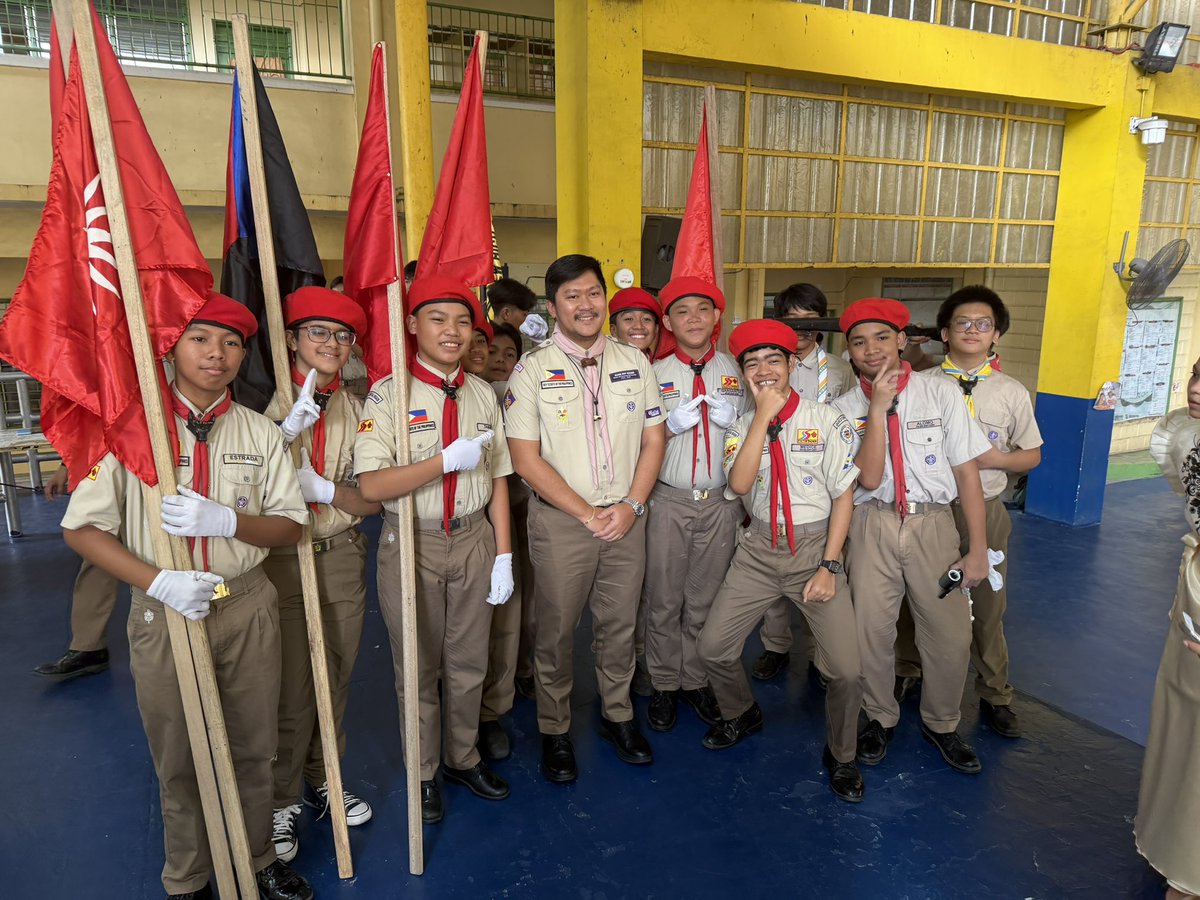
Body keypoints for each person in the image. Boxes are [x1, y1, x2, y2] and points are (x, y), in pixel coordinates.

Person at [60, 292, 312, 900]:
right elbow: (81, 528)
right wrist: (159, 581)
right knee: (178, 752)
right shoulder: (129, 430)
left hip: (247, 603)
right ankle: (189, 876)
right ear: (170, 345)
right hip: (165, 606)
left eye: (231, 343)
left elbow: (290, 524)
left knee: (256, 746)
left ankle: (255, 859)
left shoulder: (259, 431)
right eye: (200, 338)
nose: (217, 354)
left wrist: (228, 522)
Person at [355, 274, 514, 824]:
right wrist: (442, 461)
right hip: (412, 542)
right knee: (417, 667)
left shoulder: (481, 393)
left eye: (462, 321)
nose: (452, 331)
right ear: (411, 325)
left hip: (473, 537)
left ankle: (462, 757)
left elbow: (496, 476)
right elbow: (371, 488)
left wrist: (504, 552)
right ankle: (423, 772)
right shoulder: (387, 393)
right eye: (437, 319)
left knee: (470, 662)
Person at [505, 254, 666, 783]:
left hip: (627, 518)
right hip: (562, 524)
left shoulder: (635, 362)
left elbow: (653, 438)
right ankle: (554, 729)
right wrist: (589, 513)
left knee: (619, 625)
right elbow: (526, 459)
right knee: (554, 631)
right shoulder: (531, 370)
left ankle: (617, 714)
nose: (586, 304)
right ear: (553, 308)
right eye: (572, 296)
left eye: (593, 293)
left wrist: (632, 506)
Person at [697, 319, 865, 802]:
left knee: (847, 671)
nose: (764, 370)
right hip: (758, 551)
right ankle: (740, 712)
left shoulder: (826, 419)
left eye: (774, 360)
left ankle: (843, 753)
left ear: (793, 364)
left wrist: (830, 567)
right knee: (713, 648)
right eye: (752, 363)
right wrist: (760, 417)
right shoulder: (736, 424)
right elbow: (742, 484)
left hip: (815, 549)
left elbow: (844, 497)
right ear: (744, 373)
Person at [831, 298, 990, 775]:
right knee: (870, 632)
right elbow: (865, 478)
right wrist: (876, 411)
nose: (871, 349)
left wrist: (977, 548)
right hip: (871, 523)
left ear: (902, 340)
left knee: (949, 635)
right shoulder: (842, 408)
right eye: (859, 342)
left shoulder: (941, 394)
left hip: (933, 525)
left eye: (882, 337)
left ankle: (942, 722)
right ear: (849, 351)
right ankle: (879, 715)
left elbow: (966, 473)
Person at [264, 286, 382, 864]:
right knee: (288, 685)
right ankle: (280, 797)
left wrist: (329, 490)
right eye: (318, 333)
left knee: (334, 674)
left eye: (342, 335)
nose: (332, 344)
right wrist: (282, 437)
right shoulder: (258, 400)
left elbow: (371, 501)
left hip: (337, 553)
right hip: (280, 561)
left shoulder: (358, 409)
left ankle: (324, 777)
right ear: (291, 339)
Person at [893, 286, 1042, 737]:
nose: (973, 330)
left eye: (983, 324)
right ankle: (908, 668)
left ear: (996, 334)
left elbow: (1031, 455)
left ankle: (995, 692)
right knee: (915, 594)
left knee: (988, 602)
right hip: (933, 510)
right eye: (962, 323)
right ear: (944, 333)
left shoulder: (1010, 392)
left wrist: (995, 459)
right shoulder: (922, 387)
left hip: (989, 507)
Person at [642, 275, 744, 732]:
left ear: (717, 317)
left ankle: (694, 678)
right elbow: (633, 442)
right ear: (667, 321)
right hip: (669, 499)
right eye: (682, 311)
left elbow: (758, 432)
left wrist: (738, 417)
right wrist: (667, 425)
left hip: (721, 501)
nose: (694, 319)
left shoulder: (738, 371)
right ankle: (664, 682)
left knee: (704, 598)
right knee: (664, 599)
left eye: (703, 310)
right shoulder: (652, 373)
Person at [754, 283, 856, 684]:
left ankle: (818, 652)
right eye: (790, 320)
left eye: (809, 322)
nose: (800, 330)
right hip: (772, 477)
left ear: (821, 324)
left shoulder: (840, 369)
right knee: (772, 564)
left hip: (823, 480)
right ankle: (776, 645)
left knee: (820, 565)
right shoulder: (764, 363)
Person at [1136, 373, 1200, 900]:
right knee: (1184, 710)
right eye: (1199, 373)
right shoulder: (1186, 436)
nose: (1197, 388)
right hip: (1196, 584)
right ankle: (1179, 838)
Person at [32, 466, 121, 681]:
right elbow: (88, 433)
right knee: (98, 556)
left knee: (163, 552)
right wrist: (66, 468)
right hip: (111, 468)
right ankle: (89, 648)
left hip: (157, 463)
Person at [609, 286, 661, 359]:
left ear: (656, 329)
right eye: (629, 319)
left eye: (646, 319)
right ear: (613, 330)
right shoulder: (598, 367)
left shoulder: (663, 368)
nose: (639, 326)